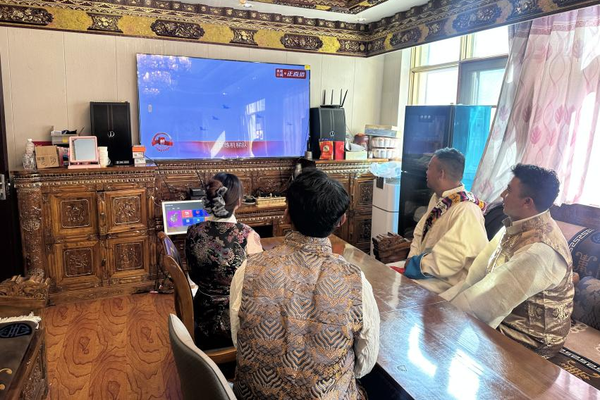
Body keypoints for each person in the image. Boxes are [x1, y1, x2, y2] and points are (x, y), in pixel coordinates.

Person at [230, 169, 379, 399]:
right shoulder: (355, 281)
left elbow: (238, 340)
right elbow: (365, 364)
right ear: (341, 220)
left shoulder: (248, 270)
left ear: (286, 215)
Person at [443, 164, 574, 358]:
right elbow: (478, 273)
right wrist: (441, 303)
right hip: (507, 312)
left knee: (450, 340)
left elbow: (489, 300)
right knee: (440, 314)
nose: (503, 194)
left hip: (530, 336)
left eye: (509, 190)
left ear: (527, 202)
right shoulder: (518, 224)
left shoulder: (540, 250)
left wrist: (445, 316)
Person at [185, 172, 262, 350]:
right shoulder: (248, 235)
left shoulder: (193, 230)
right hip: (235, 321)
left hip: (200, 315)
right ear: (239, 202)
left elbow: (192, 273)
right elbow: (257, 282)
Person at [403, 147, 488, 293]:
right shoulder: (439, 198)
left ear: (441, 173)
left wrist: (418, 265)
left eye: (429, 168)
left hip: (448, 284)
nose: (426, 172)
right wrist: (412, 259)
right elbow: (419, 232)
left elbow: (451, 259)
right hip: (426, 272)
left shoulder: (466, 210)